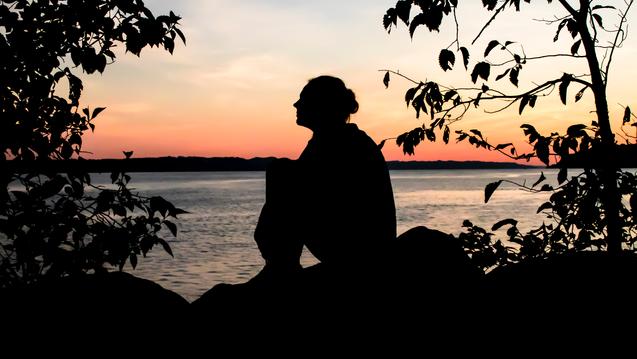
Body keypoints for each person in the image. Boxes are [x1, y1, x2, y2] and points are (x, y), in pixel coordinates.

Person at [252, 75, 396, 283]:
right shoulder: (332, 139)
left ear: (321, 105)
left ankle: (280, 266)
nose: (296, 104)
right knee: (283, 170)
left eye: (303, 99)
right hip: (353, 242)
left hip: (358, 250)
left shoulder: (342, 142)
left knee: (280, 169)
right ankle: (279, 263)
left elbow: (313, 197)